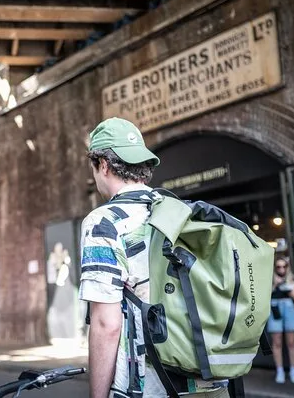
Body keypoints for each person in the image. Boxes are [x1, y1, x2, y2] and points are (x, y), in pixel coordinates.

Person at [79, 117, 226, 398]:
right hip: (212, 380)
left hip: (153, 386)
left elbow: (106, 324)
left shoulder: (104, 222)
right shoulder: (180, 211)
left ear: (103, 165)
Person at [267, 257, 294, 384]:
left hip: (289, 307)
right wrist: (275, 284)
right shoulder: (269, 279)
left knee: (291, 342)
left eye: (284, 266)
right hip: (275, 307)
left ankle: (293, 370)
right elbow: (264, 295)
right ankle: (280, 370)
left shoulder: (291, 278)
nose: (281, 269)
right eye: (278, 267)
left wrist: (287, 285)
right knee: (277, 342)